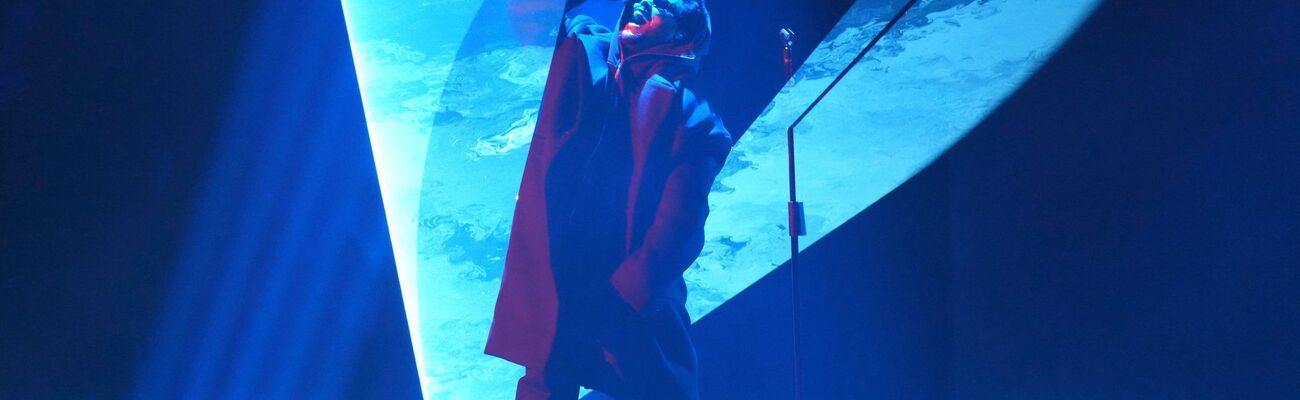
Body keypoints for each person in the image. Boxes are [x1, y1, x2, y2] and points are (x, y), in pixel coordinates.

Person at [486, 0, 731, 398]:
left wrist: (624, 299)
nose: (643, 3)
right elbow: (533, 13)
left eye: (662, 4)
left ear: (682, 34)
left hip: (626, 308)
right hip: (561, 286)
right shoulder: (581, 50)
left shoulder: (696, 120)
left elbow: (678, 230)